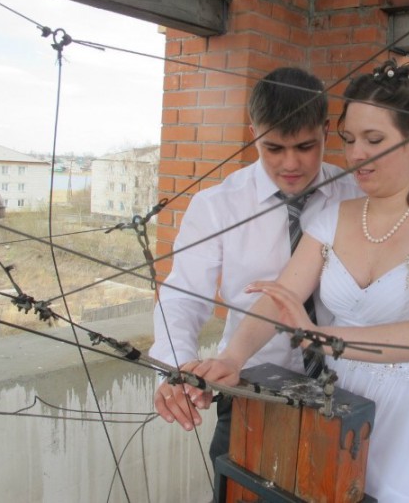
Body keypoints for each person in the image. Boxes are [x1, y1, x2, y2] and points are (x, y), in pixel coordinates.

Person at [195, 59, 409, 502]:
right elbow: (282, 297)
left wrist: (318, 337)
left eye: (374, 140)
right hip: (340, 407)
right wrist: (233, 357)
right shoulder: (333, 217)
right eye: (349, 139)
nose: (355, 155)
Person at [150, 67, 363, 466]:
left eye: (305, 146)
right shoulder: (217, 205)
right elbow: (183, 297)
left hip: (349, 391)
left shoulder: (356, 196)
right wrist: (177, 369)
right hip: (249, 387)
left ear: (326, 130)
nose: (290, 163)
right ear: (253, 134)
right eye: (274, 148)